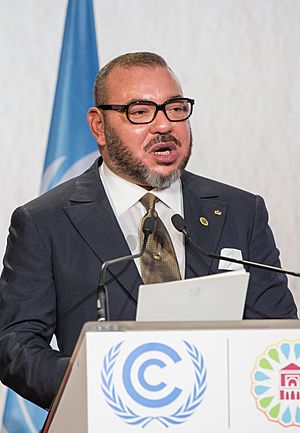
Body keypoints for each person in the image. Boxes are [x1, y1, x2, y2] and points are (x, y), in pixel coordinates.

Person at [0, 52, 297, 410]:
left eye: (174, 108)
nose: (164, 126)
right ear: (99, 126)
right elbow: (16, 344)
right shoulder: (45, 221)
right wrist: (92, 383)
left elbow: (276, 334)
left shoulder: (241, 211)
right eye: (140, 112)